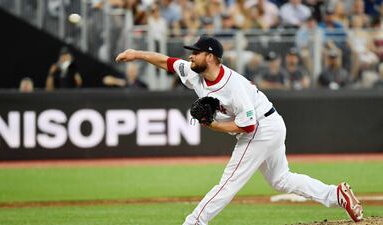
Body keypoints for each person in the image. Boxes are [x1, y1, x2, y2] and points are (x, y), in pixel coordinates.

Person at [115, 35, 363, 225]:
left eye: (196, 53)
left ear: (210, 57)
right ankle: (336, 194)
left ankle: (194, 222)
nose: (191, 57)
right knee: (281, 180)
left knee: (229, 182)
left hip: (261, 128)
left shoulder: (233, 86)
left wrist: (213, 125)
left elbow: (248, 126)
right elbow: (167, 62)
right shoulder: (194, 74)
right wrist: (136, 54)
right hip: (270, 123)